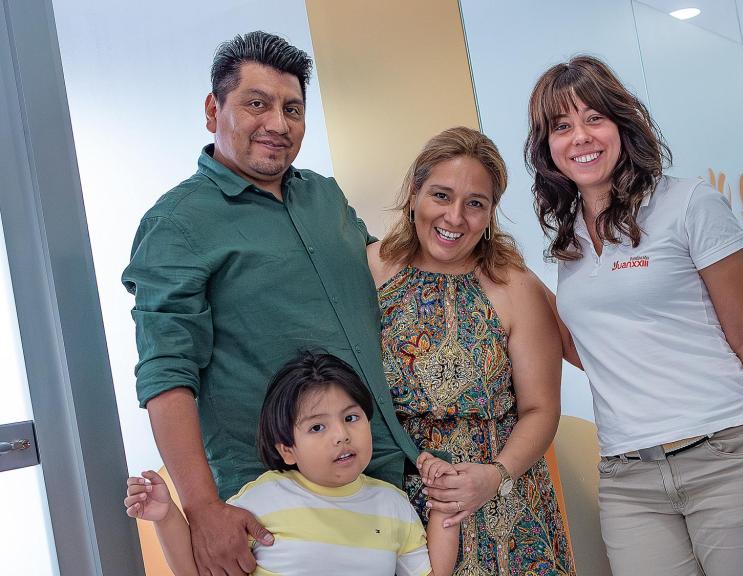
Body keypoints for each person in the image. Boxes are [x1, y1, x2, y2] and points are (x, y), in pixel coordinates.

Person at [121, 31, 420, 575]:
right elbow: (166, 375)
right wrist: (203, 507)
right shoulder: (177, 224)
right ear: (214, 109)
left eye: (292, 108)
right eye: (255, 104)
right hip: (273, 500)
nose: (277, 125)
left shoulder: (324, 196)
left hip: (382, 476)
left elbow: (393, 275)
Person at [524, 56, 743, 575]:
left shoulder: (688, 203)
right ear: (547, 146)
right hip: (629, 477)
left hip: (729, 455)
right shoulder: (567, 238)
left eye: (594, 118)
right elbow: (597, 350)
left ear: (622, 125)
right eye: (562, 126)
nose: (580, 136)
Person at [366, 127, 576, 575]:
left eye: (475, 203)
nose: (455, 217)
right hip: (399, 502)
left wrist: (494, 477)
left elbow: (541, 408)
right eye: (441, 195)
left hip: (504, 502)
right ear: (414, 194)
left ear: (491, 214)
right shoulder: (372, 269)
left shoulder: (515, 287)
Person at [125, 351, 458, 576]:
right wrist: (166, 516)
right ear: (287, 450)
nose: (341, 435)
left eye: (352, 417)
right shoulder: (262, 499)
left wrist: (445, 507)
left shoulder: (393, 505)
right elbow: (196, 571)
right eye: (317, 427)